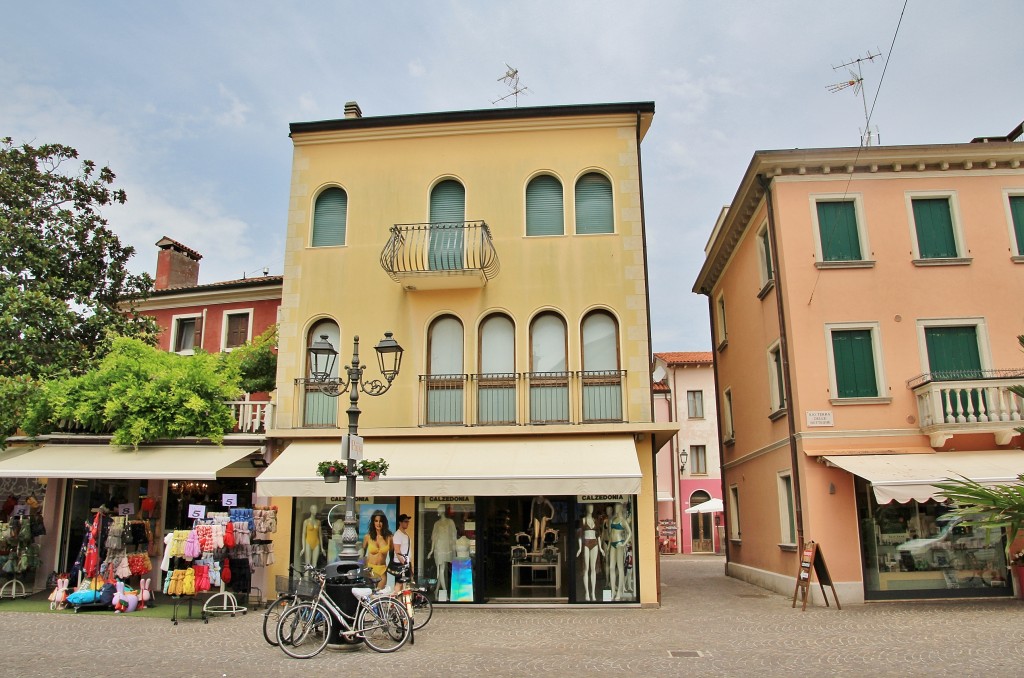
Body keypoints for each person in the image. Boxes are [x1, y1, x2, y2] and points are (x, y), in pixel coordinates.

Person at [576, 504, 603, 601]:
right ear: (586, 508)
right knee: (586, 568)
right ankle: (587, 592)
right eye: (589, 507)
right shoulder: (583, 520)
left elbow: (598, 535)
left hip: (595, 543)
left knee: (593, 569)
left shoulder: (596, 520)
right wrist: (579, 548)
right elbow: (579, 535)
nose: (591, 509)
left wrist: (600, 548)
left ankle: (593, 593)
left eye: (592, 507)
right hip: (586, 543)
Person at [427, 505, 456, 595]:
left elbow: (454, 536)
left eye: (438, 510)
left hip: (447, 548)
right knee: (441, 569)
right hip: (439, 548)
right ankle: (445, 593)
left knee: (441, 570)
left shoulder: (450, 522)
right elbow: (434, 538)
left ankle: (436, 592)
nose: (437, 512)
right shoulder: (437, 523)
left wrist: (454, 548)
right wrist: (431, 551)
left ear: (442, 511)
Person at [360, 510, 393, 589]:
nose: (378, 523)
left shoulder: (389, 537)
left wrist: (390, 568)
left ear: (384, 523)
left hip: (382, 570)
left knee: (380, 597)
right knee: (370, 596)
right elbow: (362, 555)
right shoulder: (367, 537)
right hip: (370, 570)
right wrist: (362, 569)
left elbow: (392, 555)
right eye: (376, 521)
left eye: (381, 521)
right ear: (373, 522)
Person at [607, 502, 632, 600]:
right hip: (613, 544)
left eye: (618, 508)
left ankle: (619, 592)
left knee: (620, 568)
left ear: (621, 508)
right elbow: (611, 535)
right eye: (615, 508)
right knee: (612, 567)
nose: (616, 509)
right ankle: (613, 591)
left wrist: (624, 543)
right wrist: (609, 546)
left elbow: (629, 533)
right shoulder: (614, 520)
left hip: (619, 544)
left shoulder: (623, 520)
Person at [391, 514, 412, 594]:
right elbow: (397, 550)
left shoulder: (405, 534)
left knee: (406, 583)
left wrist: (408, 563)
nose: (407, 523)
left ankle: (401, 602)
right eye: (405, 521)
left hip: (406, 562)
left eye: (408, 521)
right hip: (400, 563)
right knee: (399, 583)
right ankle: (395, 602)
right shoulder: (398, 534)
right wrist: (403, 563)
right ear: (400, 522)